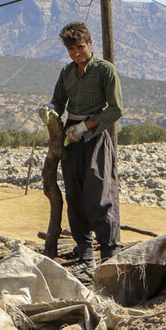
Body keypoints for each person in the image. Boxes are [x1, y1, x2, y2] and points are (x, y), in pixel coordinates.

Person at [47, 21, 123, 267]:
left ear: (90, 43)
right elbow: (58, 102)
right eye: (71, 49)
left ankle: (110, 253)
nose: (76, 53)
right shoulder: (67, 73)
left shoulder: (104, 70)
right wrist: (49, 111)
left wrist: (87, 125)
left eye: (80, 47)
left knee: (100, 193)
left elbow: (116, 110)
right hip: (71, 139)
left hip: (96, 138)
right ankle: (85, 254)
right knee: (75, 195)